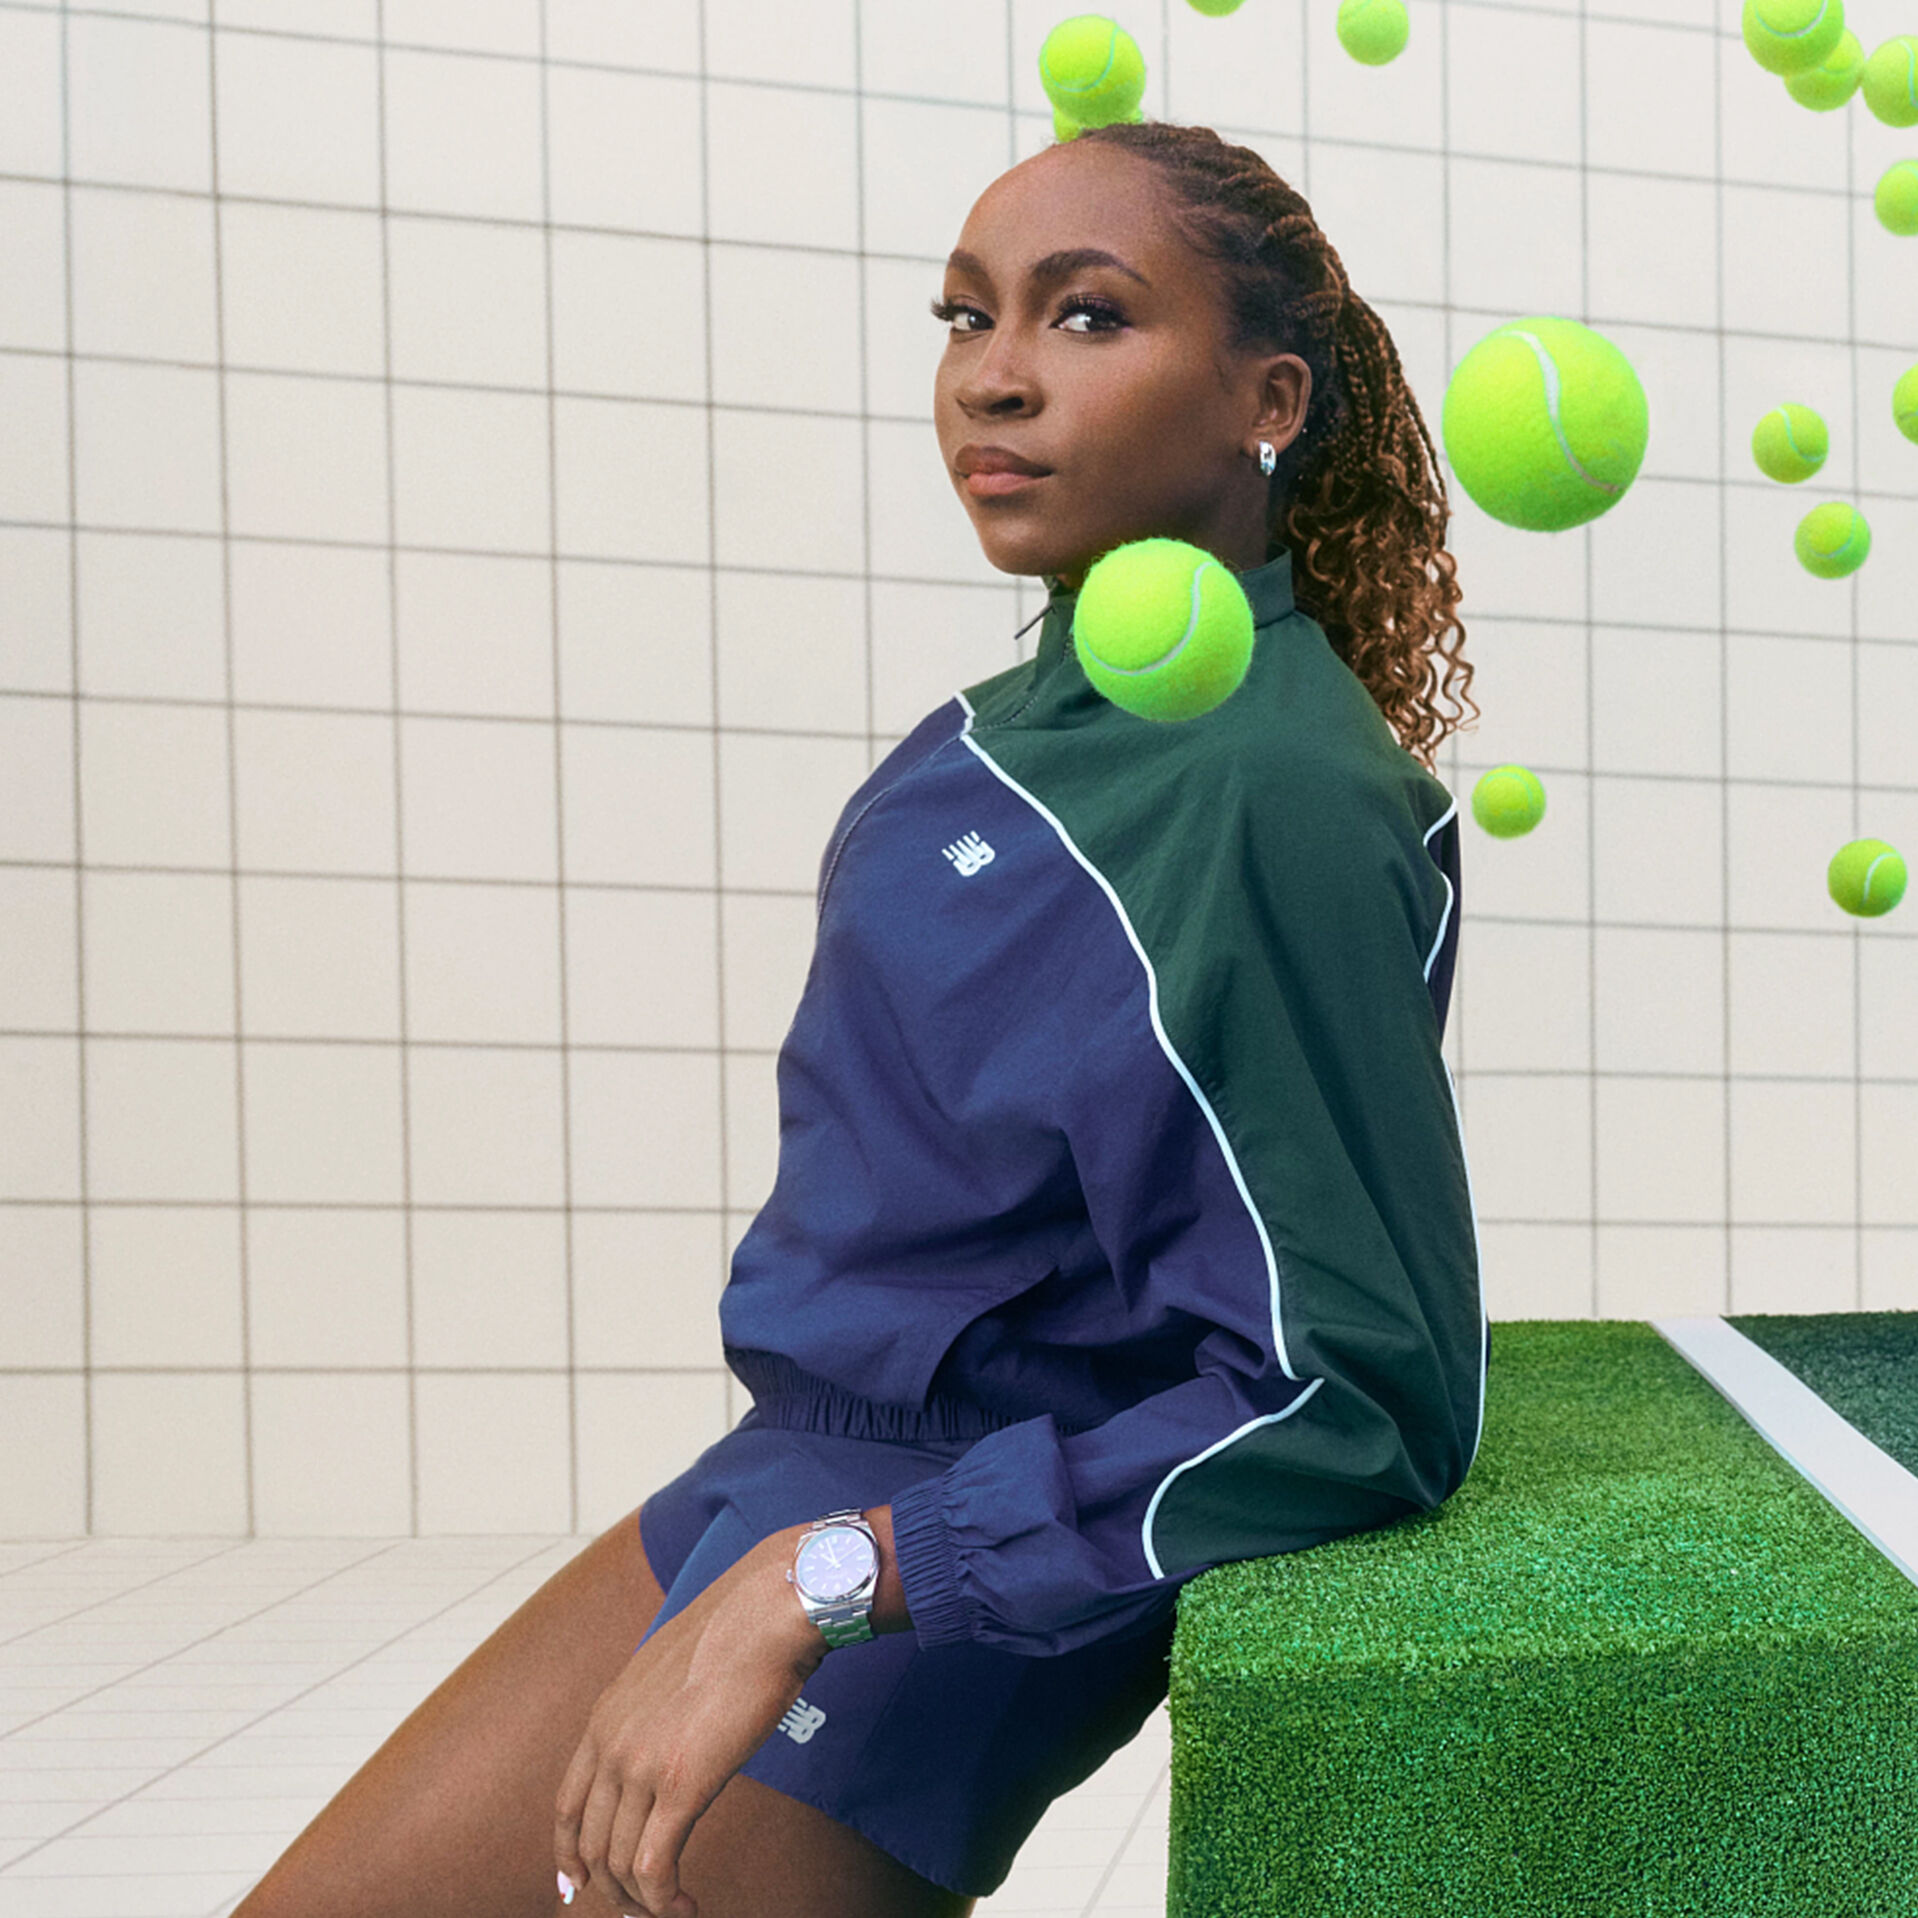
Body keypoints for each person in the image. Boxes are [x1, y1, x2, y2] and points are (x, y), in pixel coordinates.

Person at [232, 118, 1487, 1918]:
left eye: (1087, 317)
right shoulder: (1060, 713)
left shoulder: (1257, 786)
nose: (992, 377)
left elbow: (1355, 1391)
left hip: (947, 1555)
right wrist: (783, 1538)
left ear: (1264, 396)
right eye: (964, 317)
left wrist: (832, 1577)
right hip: (791, 1471)